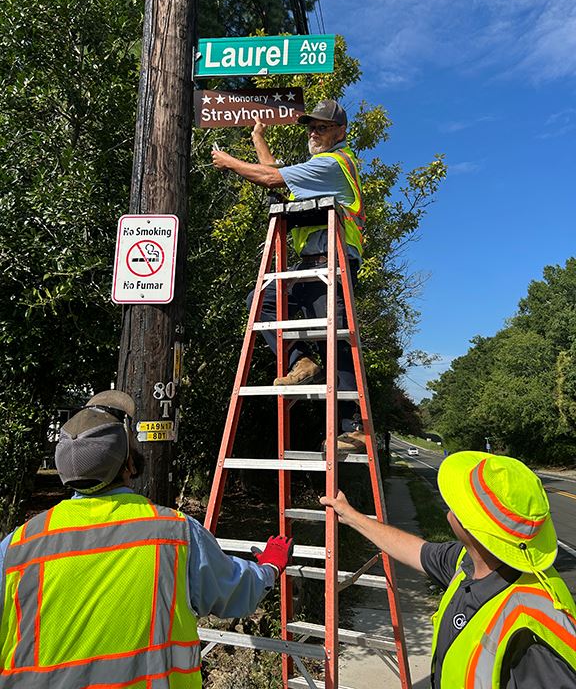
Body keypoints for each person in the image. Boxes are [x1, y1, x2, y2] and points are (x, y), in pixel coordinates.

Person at [0, 390, 293, 688]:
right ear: (129, 466)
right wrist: (270, 566)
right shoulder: (176, 534)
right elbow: (236, 592)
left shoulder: (17, 546)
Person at [320, 451, 576, 688]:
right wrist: (351, 516)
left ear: (472, 527)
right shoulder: (469, 560)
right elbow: (414, 550)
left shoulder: (530, 632)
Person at [211, 99, 366, 452]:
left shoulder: (333, 163)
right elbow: (276, 176)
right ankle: (301, 362)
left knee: (334, 340)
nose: (314, 133)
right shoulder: (316, 171)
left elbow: (270, 177)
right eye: (311, 127)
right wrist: (258, 138)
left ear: (340, 131)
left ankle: (354, 427)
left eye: (322, 127)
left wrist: (228, 161)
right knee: (260, 302)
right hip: (311, 265)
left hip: (334, 262)